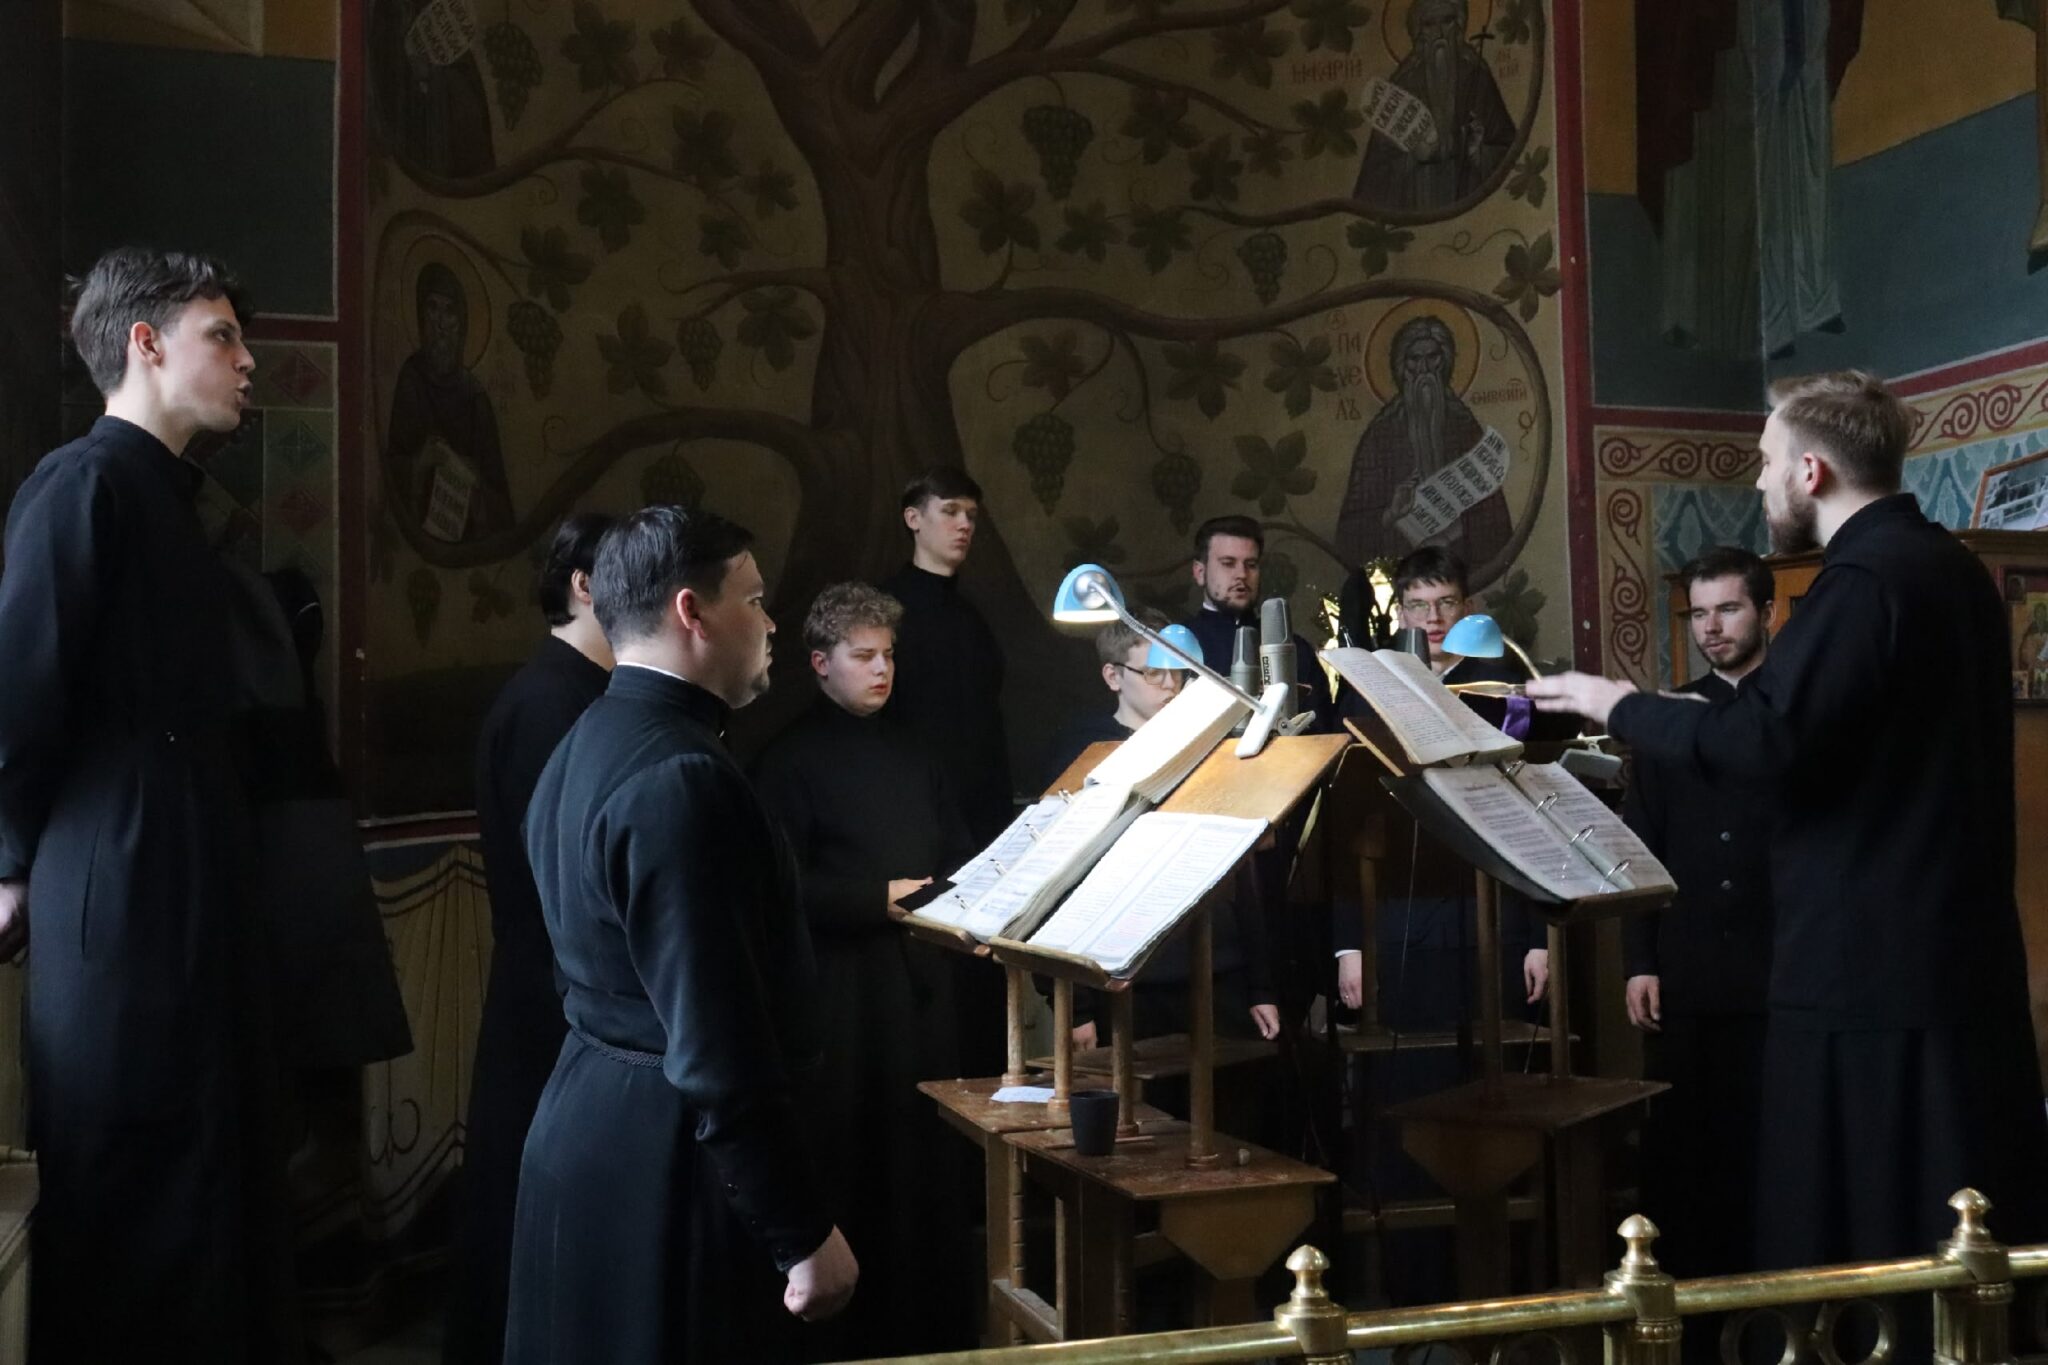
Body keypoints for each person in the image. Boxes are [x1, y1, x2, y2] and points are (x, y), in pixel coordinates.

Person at [1529, 370, 2048, 1270]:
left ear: (1812, 471)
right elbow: (1832, 736)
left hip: (1869, 979)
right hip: (1951, 962)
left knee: (1870, 1247)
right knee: (1958, 1243)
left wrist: (1617, 704)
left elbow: (1766, 737)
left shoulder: (1862, 583)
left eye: (1767, 462)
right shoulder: (1954, 571)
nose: (1760, 481)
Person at [0, 247, 303, 1362]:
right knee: (137, 1156)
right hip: (119, 869)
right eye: (222, 335)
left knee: (208, 1147)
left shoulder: (169, 498)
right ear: (145, 343)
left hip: (182, 853)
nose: (246, 359)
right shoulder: (81, 485)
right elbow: (19, 690)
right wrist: (6, 860)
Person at [507, 506, 855, 1363]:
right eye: (755, 599)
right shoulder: (681, 778)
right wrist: (800, 1230)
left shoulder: (583, 740)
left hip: (582, 1126)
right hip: (664, 1161)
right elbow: (716, 1044)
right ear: (691, 612)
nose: (771, 623)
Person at [752, 582, 976, 1359]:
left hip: (921, 992)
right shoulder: (786, 761)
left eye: (888, 655)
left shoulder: (916, 752)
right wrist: (873, 899)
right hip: (843, 1002)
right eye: (863, 655)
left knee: (926, 1167)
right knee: (856, 1164)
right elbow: (775, 889)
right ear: (821, 663)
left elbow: (956, 852)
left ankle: (932, 1336)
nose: (882, 669)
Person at [448, 512, 616, 1365]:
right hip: (551, 995)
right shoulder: (550, 701)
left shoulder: (575, 694)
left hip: (559, 987)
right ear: (584, 586)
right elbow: (565, 875)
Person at [1619, 545, 1777, 1281]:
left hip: (1781, 969)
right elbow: (1640, 846)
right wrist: (1638, 960)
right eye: (1699, 613)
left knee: (1771, 1145)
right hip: (1684, 970)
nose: (1710, 628)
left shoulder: (1798, 708)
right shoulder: (1666, 719)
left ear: (1767, 612)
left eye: (1728, 609)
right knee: (1685, 1150)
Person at [883, 467, 1013, 1075]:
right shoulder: (890, 613)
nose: (964, 526)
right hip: (920, 832)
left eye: (972, 516)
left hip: (983, 835)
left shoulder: (972, 617)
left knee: (983, 1006)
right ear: (914, 518)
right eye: (951, 511)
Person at [1335, 314, 1511, 570]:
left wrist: (1452, 533)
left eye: (1433, 357)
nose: (1424, 369)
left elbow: (1495, 520)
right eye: (1414, 359)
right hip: (1399, 572)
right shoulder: (1381, 435)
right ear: (1401, 366)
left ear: (1445, 361)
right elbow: (1349, 535)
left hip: (1456, 570)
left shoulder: (1463, 427)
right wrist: (1390, 514)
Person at [1353, 0, 1515, 212]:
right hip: (1417, 205)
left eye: (1447, 21)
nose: (1439, 32)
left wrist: (1478, 152)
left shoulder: (1477, 78)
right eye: (1429, 24)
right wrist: (1413, 157)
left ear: (1459, 27)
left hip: (1468, 204)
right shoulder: (1404, 84)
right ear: (1418, 33)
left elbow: (1510, 152)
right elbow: (1375, 175)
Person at [1182, 514, 1336, 730]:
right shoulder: (1178, 646)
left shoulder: (1296, 649)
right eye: (1228, 563)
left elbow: (1324, 732)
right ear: (1199, 572)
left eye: (1251, 565)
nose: (1241, 574)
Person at [1039, 606, 1187, 787]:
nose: (1171, 683)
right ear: (1113, 677)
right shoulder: (1085, 753)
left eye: (1176, 668)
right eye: (1153, 672)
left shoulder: (1192, 733)